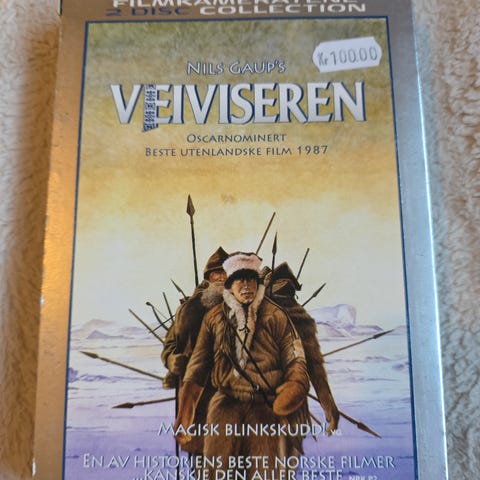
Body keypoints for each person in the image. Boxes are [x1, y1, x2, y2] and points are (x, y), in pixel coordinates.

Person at [174, 252, 310, 478]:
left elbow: (295, 358)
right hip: (224, 407)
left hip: (266, 410)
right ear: (229, 285)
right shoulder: (214, 318)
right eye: (239, 280)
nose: (246, 286)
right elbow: (197, 369)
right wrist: (185, 415)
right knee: (216, 473)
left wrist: (294, 386)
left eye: (251, 280)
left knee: (266, 473)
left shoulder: (276, 316)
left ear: (258, 284)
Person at [161, 246, 229, 455]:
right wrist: (172, 360)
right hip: (196, 393)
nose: (221, 277)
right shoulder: (188, 309)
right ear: (208, 277)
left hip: (230, 392)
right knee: (201, 453)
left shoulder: (242, 306)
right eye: (216, 273)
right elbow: (170, 345)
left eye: (225, 273)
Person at [266, 262, 339, 435]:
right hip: (283, 403)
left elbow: (314, 368)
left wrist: (329, 407)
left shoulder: (258, 313)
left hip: (279, 402)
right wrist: (329, 407)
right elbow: (316, 370)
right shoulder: (298, 317)